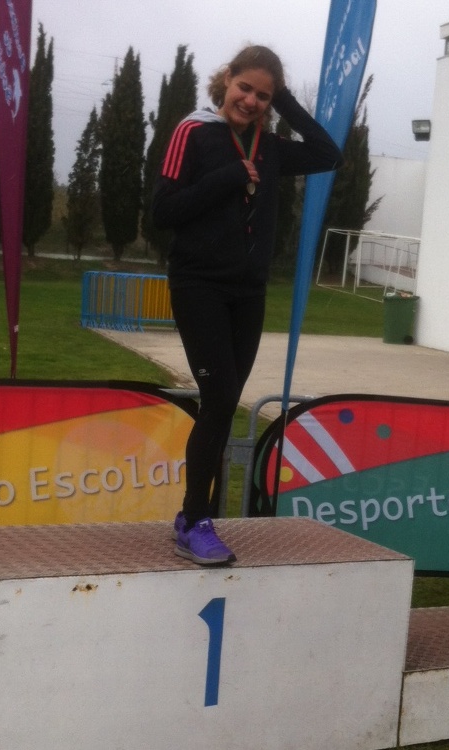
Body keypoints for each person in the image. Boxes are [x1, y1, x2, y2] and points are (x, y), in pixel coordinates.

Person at [152, 45, 341, 565]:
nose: (251, 100)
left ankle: (193, 518)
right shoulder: (193, 132)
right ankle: (195, 520)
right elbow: (163, 211)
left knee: (226, 402)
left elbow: (328, 155)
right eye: (245, 88)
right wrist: (227, 178)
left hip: (249, 292)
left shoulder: (270, 146)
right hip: (199, 286)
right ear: (227, 79)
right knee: (217, 400)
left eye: (264, 95)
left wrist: (287, 101)